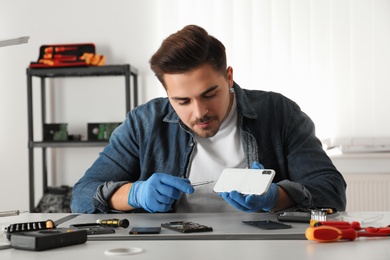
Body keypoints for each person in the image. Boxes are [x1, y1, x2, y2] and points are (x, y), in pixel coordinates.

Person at [71, 24, 347, 214]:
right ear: (167, 94)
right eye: (182, 101)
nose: (199, 111)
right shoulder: (143, 123)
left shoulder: (280, 113)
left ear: (228, 77)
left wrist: (275, 197)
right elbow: (82, 196)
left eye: (209, 94)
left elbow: (331, 192)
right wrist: (134, 195)